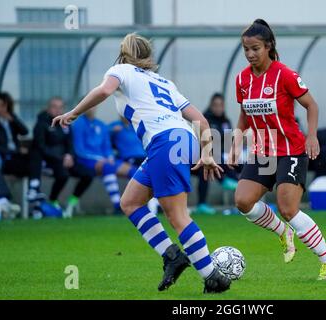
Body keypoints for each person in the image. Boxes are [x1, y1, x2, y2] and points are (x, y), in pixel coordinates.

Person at [52, 33, 231, 293]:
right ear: (148, 55)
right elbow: (201, 121)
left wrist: (73, 113)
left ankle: (213, 278)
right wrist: (206, 153)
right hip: (181, 140)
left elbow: (104, 90)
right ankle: (172, 256)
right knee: (130, 202)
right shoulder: (163, 81)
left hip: (164, 142)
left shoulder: (120, 70)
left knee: (177, 215)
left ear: (124, 53)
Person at [228, 19, 326, 280]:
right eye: (245, 49)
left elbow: (311, 105)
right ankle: (282, 231)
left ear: (268, 46)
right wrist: (235, 143)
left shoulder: (285, 75)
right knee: (243, 201)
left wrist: (312, 136)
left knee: (288, 208)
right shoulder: (242, 79)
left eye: (255, 48)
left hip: (290, 149)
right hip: (261, 151)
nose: (250, 54)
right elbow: (244, 116)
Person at [28, 97, 95, 218]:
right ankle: (53, 201)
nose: (58, 110)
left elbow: (70, 143)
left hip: (66, 160)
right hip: (50, 161)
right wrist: (60, 158)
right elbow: (40, 147)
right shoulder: (41, 124)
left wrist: (69, 155)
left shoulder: (66, 123)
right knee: (63, 175)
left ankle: (71, 203)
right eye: (54, 106)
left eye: (60, 107)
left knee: (88, 174)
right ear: (48, 108)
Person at [71, 107, 138, 213]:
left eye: (93, 105)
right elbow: (79, 150)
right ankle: (118, 206)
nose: (91, 108)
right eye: (89, 105)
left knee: (134, 171)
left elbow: (107, 147)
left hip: (104, 160)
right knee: (108, 168)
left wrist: (110, 157)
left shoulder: (101, 125)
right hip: (86, 160)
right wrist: (101, 159)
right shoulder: (78, 125)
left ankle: (136, 204)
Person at [194, 93, 239, 215]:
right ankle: (202, 204)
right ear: (211, 106)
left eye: (221, 105)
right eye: (216, 105)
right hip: (199, 158)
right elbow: (201, 141)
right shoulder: (205, 120)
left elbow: (229, 142)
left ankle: (243, 203)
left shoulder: (226, 121)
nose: (218, 108)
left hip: (221, 157)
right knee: (205, 167)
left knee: (236, 163)